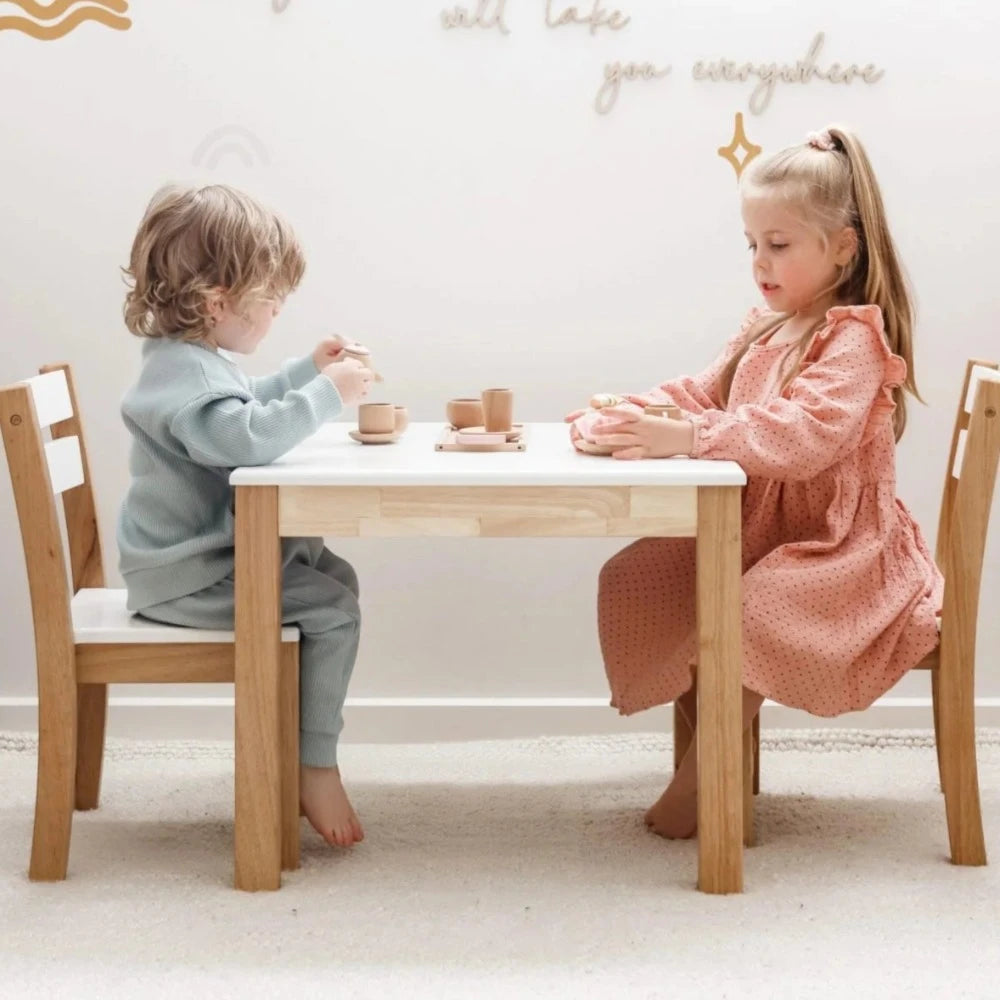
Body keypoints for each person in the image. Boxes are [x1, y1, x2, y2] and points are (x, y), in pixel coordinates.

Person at [566, 126, 943, 839]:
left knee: (752, 610)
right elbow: (703, 392)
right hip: (762, 530)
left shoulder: (853, 339)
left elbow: (804, 438)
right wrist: (632, 411)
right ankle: (715, 747)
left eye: (779, 244)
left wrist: (691, 437)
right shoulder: (765, 328)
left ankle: (704, 779)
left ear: (842, 248)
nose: (760, 263)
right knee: (643, 570)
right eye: (752, 245)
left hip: (841, 547)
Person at [117, 184, 374, 847]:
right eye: (270, 299)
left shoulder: (185, 365)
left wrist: (304, 373)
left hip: (187, 563)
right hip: (190, 577)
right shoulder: (191, 381)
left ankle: (297, 747)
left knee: (333, 578)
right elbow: (245, 438)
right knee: (336, 608)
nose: (278, 310)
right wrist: (327, 395)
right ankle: (313, 762)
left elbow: (242, 403)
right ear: (217, 302)